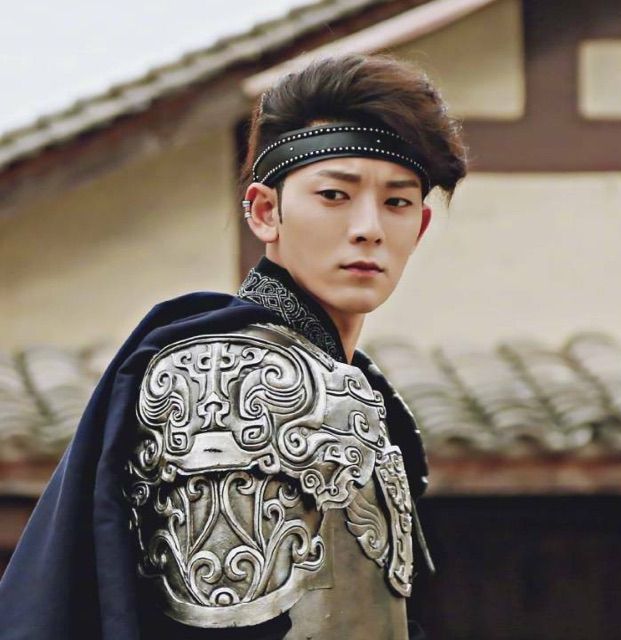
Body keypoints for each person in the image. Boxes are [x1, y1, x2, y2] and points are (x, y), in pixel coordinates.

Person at [0, 53, 467, 639]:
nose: (369, 227)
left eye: (396, 202)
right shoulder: (229, 373)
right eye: (334, 194)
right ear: (265, 211)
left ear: (419, 227)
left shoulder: (355, 383)